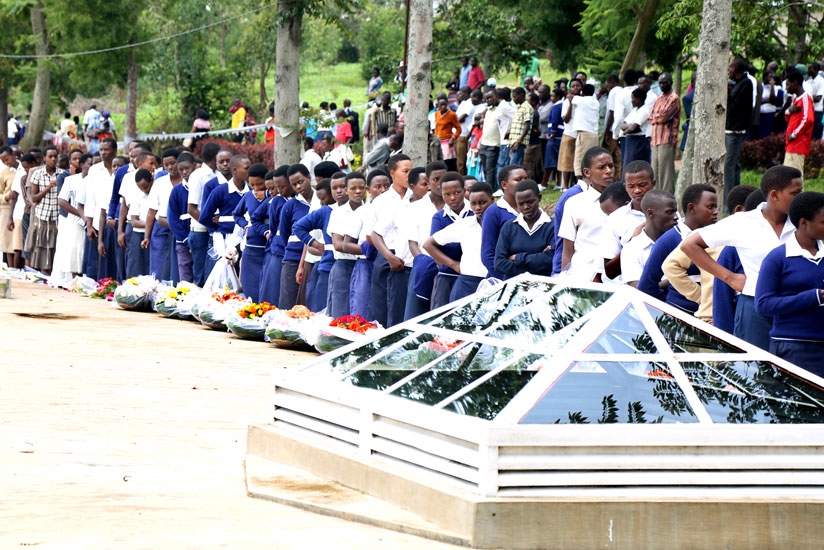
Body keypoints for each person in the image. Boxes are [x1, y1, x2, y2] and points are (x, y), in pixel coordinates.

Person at [681, 165, 802, 350]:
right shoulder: (744, 222)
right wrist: (729, 277)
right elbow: (689, 245)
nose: (800, 198)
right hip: (754, 307)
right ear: (774, 195)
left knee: (794, 371)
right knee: (755, 370)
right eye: (795, 193)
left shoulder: (803, 222)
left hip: (795, 306)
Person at [755, 191, 824, 375]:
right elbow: (763, 304)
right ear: (804, 223)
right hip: (793, 347)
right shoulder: (777, 258)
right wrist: (815, 296)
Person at [638, 183, 718, 311]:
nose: (716, 212)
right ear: (691, 208)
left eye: (716, 207)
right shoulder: (669, 240)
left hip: (713, 314)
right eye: (710, 207)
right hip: (681, 317)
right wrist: (670, 310)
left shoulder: (718, 237)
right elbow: (647, 285)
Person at [425, 181, 494, 302]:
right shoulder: (465, 224)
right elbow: (428, 244)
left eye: (482, 203)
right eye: (473, 204)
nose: (477, 208)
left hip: (495, 282)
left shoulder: (503, 224)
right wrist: (454, 265)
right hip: (467, 284)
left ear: (492, 200)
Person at [551, 146, 614, 275]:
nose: (608, 171)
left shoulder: (624, 202)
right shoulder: (574, 203)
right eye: (602, 167)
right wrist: (564, 279)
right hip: (582, 276)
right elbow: (567, 250)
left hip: (614, 278)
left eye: (611, 166)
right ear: (587, 172)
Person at [368, 155, 414, 327]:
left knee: (402, 306)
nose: (410, 175)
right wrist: (388, 255)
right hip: (386, 255)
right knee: (380, 305)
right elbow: (370, 235)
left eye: (411, 170)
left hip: (409, 258)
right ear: (393, 173)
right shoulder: (380, 201)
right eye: (405, 171)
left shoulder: (416, 197)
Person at [494, 179, 554, 279]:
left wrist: (517, 258)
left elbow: (551, 260)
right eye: (521, 204)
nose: (526, 207)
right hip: (513, 288)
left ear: (539, 198)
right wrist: (538, 263)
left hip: (543, 287)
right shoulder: (509, 227)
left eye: (530, 202)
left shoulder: (552, 226)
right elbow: (499, 264)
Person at [277, 164, 318, 309]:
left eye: (301, 182)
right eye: (294, 185)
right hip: (293, 258)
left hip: (314, 257)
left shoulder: (321, 200)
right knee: (289, 301)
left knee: (309, 302)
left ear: (309, 177)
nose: (298, 187)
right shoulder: (290, 206)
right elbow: (284, 233)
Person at [620, 190, 679, 287]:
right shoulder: (632, 249)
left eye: (675, 212)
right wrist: (675, 280)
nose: (676, 217)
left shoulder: (683, 241)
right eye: (670, 212)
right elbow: (637, 288)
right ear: (650, 213)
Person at [231, 163, 269, 302]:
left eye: (260, 184)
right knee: (249, 287)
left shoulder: (273, 196)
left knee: (266, 287)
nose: (255, 188)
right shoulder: (248, 196)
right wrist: (245, 226)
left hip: (268, 247)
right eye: (252, 185)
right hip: (251, 248)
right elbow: (237, 214)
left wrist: (267, 194)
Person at [480, 165, 527, 278]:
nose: (524, 183)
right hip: (504, 279)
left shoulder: (532, 209)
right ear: (504, 185)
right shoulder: (494, 212)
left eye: (526, 178)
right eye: (518, 180)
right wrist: (505, 279)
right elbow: (487, 255)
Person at [25, 147, 60, 274]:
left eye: (55, 156)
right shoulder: (38, 174)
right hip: (41, 217)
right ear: (44, 158)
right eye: (50, 157)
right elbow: (34, 198)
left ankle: (50, 277)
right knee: (39, 249)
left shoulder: (62, 174)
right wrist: (48, 187)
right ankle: (39, 276)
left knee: (53, 249)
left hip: (56, 218)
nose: (53, 159)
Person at [725, 59, 755, 202]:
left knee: (729, 165)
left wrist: (728, 94)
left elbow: (736, 107)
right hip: (731, 129)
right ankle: (736, 196)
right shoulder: (737, 83)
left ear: (737, 69)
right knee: (734, 164)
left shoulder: (746, 84)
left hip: (735, 131)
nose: (728, 70)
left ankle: (728, 199)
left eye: (730, 67)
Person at [647, 73, 680, 194]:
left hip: (667, 139)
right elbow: (650, 117)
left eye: (664, 82)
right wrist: (657, 118)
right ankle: (656, 199)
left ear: (670, 82)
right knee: (655, 172)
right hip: (655, 140)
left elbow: (664, 117)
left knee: (665, 173)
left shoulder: (674, 98)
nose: (662, 85)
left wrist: (656, 118)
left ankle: (667, 199)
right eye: (660, 82)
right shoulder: (659, 98)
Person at [166, 152, 196, 283]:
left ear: (194, 166)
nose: (184, 172)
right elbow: (172, 219)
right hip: (182, 241)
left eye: (187, 168)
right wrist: (185, 239)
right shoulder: (176, 191)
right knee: (185, 272)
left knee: (200, 273)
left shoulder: (203, 186)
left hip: (200, 239)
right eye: (181, 169)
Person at [782, 69, 814, 177]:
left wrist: (794, 134)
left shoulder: (805, 98)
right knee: (788, 176)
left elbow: (808, 119)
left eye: (788, 85)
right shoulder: (796, 99)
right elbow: (788, 117)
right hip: (792, 144)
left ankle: (799, 195)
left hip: (798, 143)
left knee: (793, 177)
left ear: (795, 83)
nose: (786, 88)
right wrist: (789, 110)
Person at [570, 83, 600, 180]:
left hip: (584, 134)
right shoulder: (596, 102)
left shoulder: (580, 100)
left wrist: (575, 91)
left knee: (580, 160)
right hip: (594, 135)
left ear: (582, 92)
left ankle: (581, 183)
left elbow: (571, 97)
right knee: (592, 159)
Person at [129, 169, 154, 276]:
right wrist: (151, 224)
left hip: (153, 235)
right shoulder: (137, 197)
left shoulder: (156, 193)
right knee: (137, 268)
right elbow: (134, 221)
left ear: (151, 180)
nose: (144, 190)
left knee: (151, 268)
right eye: (140, 188)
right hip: (139, 235)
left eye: (146, 187)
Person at [620, 88, 652, 170]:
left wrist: (626, 131)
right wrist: (629, 128)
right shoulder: (634, 110)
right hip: (630, 141)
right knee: (628, 166)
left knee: (636, 167)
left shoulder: (644, 110)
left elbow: (634, 127)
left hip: (639, 142)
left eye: (633, 98)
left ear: (639, 99)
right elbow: (622, 125)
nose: (631, 101)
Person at [558, 78, 581, 190]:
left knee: (579, 161)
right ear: (569, 88)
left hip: (580, 134)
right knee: (566, 161)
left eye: (578, 86)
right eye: (573, 86)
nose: (575, 88)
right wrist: (571, 104)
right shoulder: (566, 102)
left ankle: (578, 184)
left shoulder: (583, 101)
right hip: (569, 133)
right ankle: (565, 186)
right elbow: (566, 119)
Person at [478, 90, 502, 191]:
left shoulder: (501, 109)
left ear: (496, 96)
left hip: (494, 143)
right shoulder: (487, 110)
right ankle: (489, 187)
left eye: (490, 97)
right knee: (485, 168)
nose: (488, 100)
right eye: (486, 98)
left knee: (490, 168)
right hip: (484, 142)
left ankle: (489, 189)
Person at [507, 87, 534, 168]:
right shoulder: (519, 107)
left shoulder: (526, 107)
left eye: (515, 97)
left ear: (521, 95)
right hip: (514, 142)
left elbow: (527, 125)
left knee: (514, 167)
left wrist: (519, 141)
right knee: (512, 165)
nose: (513, 99)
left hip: (519, 142)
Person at [434, 98, 462, 172]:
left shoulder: (452, 114)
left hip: (447, 142)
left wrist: (453, 138)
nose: (443, 107)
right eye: (441, 105)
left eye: (444, 105)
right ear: (438, 105)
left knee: (448, 163)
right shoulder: (436, 114)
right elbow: (437, 127)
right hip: (438, 140)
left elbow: (459, 129)